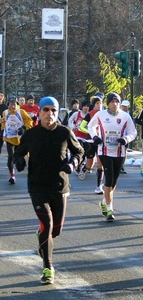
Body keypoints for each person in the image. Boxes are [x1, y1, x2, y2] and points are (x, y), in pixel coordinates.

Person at [13, 96, 84, 284]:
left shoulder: (64, 132)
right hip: (37, 187)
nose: (49, 114)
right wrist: (19, 161)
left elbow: (79, 151)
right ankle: (48, 267)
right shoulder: (31, 134)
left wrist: (73, 163)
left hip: (60, 186)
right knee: (46, 225)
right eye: (46, 110)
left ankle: (44, 240)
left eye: (53, 110)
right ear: (39, 112)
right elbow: (19, 152)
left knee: (56, 230)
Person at [88, 92, 137, 221]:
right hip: (104, 150)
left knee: (114, 181)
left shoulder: (125, 116)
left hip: (119, 152)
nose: (114, 104)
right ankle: (110, 209)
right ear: (108, 103)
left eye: (117, 102)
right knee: (108, 179)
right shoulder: (100, 115)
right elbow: (90, 126)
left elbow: (133, 132)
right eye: (112, 102)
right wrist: (95, 137)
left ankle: (104, 200)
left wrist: (126, 139)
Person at [1, 97, 33, 184]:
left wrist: (23, 128)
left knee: (19, 157)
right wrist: (2, 130)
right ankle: (12, 176)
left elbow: (29, 121)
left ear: (17, 104)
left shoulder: (21, 112)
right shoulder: (5, 112)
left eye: (14, 104)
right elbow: (3, 122)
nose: (13, 106)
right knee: (11, 156)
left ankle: (22, 164)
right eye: (11, 104)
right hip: (9, 138)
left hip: (20, 138)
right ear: (8, 105)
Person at [79, 96, 104, 193]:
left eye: (101, 103)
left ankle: (98, 187)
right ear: (94, 105)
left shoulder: (104, 114)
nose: (99, 105)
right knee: (90, 164)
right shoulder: (90, 114)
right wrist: (91, 133)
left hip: (101, 142)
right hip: (90, 141)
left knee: (100, 164)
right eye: (97, 103)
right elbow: (81, 127)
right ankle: (84, 168)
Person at [68, 100, 90, 174]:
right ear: (82, 107)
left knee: (85, 154)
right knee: (80, 150)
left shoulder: (89, 115)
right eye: (84, 106)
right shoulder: (77, 114)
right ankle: (78, 167)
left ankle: (80, 165)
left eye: (87, 106)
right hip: (78, 136)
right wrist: (72, 126)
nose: (86, 108)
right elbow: (70, 120)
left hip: (86, 137)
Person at [119, 100, 133, 174]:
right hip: (119, 135)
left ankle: (121, 166)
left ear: (128, 107)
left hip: (126, 136)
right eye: (123, 106)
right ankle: (117, 165)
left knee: (124, 151)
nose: (124, 107)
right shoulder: (118, 114)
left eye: (126, 106)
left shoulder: (130, 114)